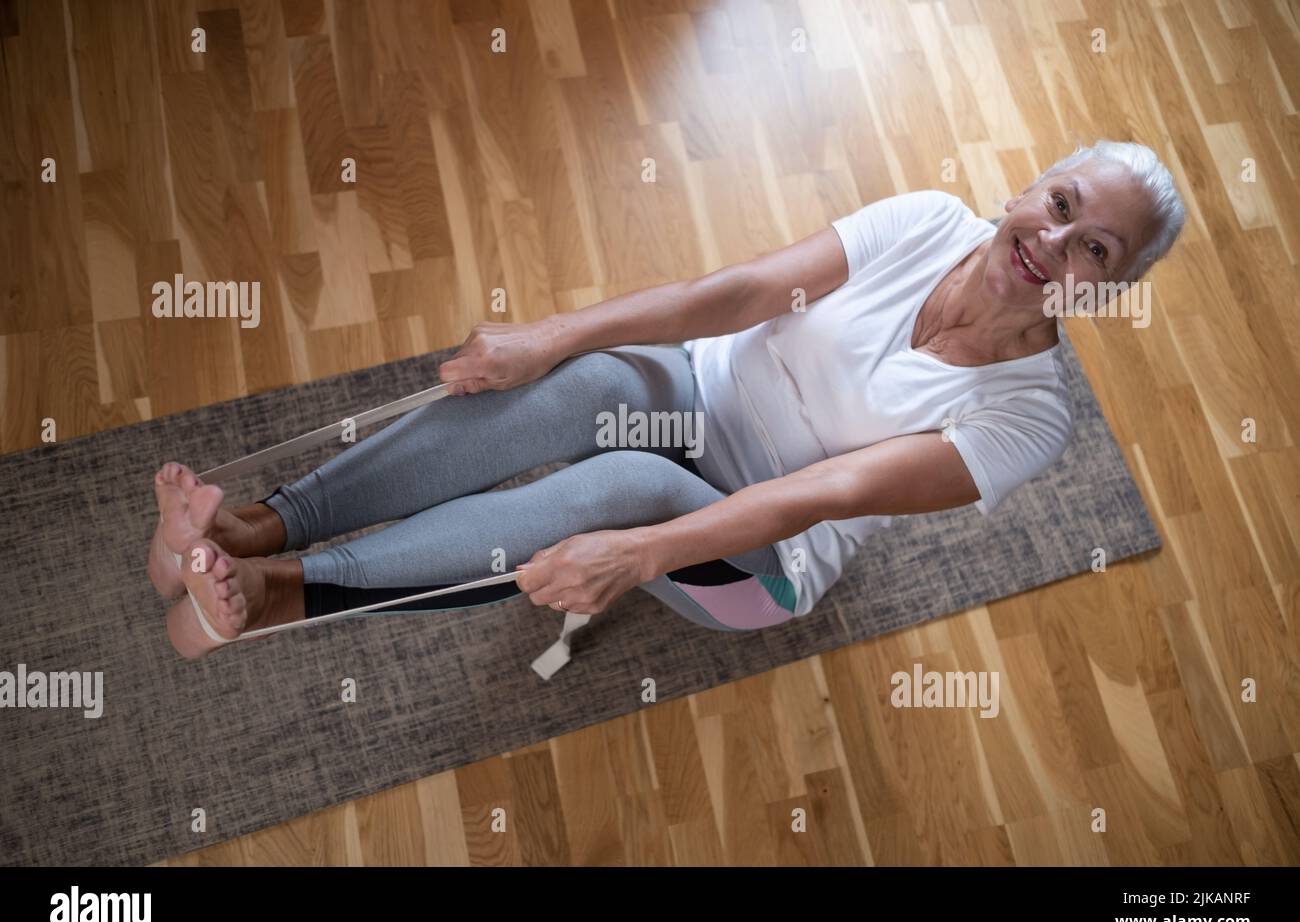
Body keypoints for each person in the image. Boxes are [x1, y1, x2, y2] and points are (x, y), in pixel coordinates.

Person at [149, 140, 1185, 659]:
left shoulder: (1029, 417)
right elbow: (732, 294)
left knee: (636, 481)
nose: (1053, 244)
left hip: (764, 559)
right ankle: (253, 525)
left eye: (1093, 248)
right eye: (1059, 205)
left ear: (1109, 286)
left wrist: (638, 554)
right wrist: (542, 337)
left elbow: (820, 493)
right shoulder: (924, 219)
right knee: (601, 376)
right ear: (1025, 189)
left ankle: (287, 590)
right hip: (694, 394)